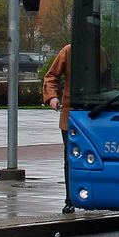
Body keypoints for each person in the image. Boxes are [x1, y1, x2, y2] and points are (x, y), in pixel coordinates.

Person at [41, 44, 75, 214]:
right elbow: (51, 76)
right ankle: (70, 199)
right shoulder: (68, 51)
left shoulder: (99, 52)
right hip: (70, 114)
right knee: (70, 159)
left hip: (93, 112)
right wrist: (52, 97)